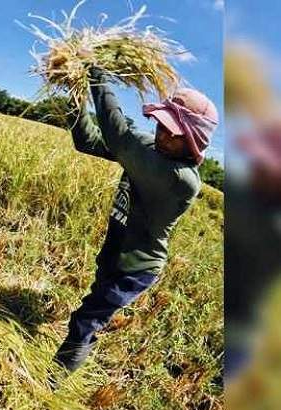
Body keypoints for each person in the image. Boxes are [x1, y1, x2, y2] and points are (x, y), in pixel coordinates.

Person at [53, 67, 219, 373]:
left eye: (176, 133)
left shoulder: (180, 180)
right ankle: (81, 349)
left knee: (85, 319)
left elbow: (118, 139)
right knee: (93, 307)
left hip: (136, 268)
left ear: (194, 142)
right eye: (162, 125)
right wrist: (75, 97)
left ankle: (53, 379)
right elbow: (89, 141)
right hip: (116, 249)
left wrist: (96, 77)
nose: (163, 135)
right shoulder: (148, 146)